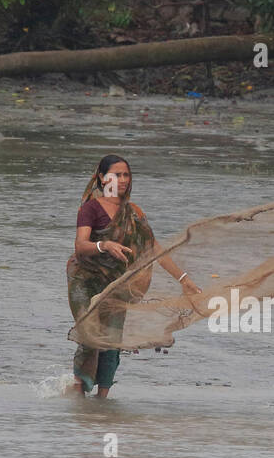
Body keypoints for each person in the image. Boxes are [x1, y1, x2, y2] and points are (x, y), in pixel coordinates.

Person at [66, 154, 201, 397]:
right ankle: (79, 395)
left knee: (112, 341)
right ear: (101, 177)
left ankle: (102, 401)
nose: (123, 180)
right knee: (89, 335)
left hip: (118, 283)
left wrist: (185, 280)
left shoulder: (134, 213)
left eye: (126, 175)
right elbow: (81, 245)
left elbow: (154, 249)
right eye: (117, 175)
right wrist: (104, 245)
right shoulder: (90, 209)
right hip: (85, 281)